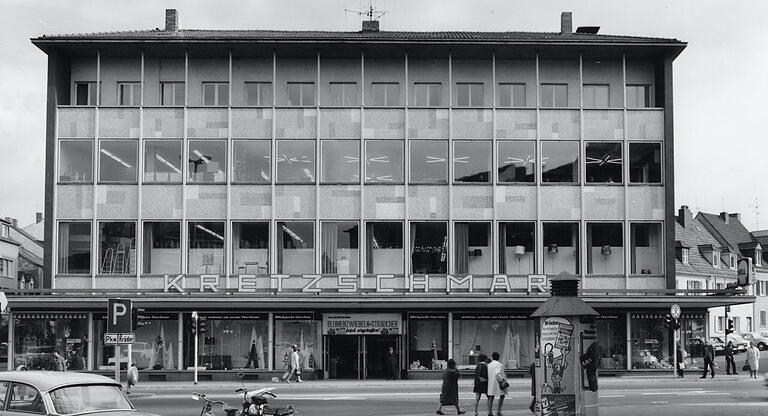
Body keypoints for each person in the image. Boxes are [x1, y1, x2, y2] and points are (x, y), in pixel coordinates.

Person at [486, 352, 507, 416]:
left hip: (490, 383)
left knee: (491, 397)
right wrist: (501, 381)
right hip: (498, 383)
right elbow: (497, 374)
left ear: (492, 357)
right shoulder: (499, 364)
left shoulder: (489, 365)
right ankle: (498, 411)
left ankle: (490, 412)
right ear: (498, 357)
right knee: (502, 396)